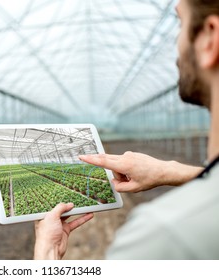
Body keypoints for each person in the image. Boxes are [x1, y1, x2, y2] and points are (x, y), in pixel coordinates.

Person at [34, 0, 219, 260]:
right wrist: (168, 170)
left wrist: (46, 252)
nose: (175, 45)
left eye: (180, 23)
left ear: (210, 38)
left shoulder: (165, 237)